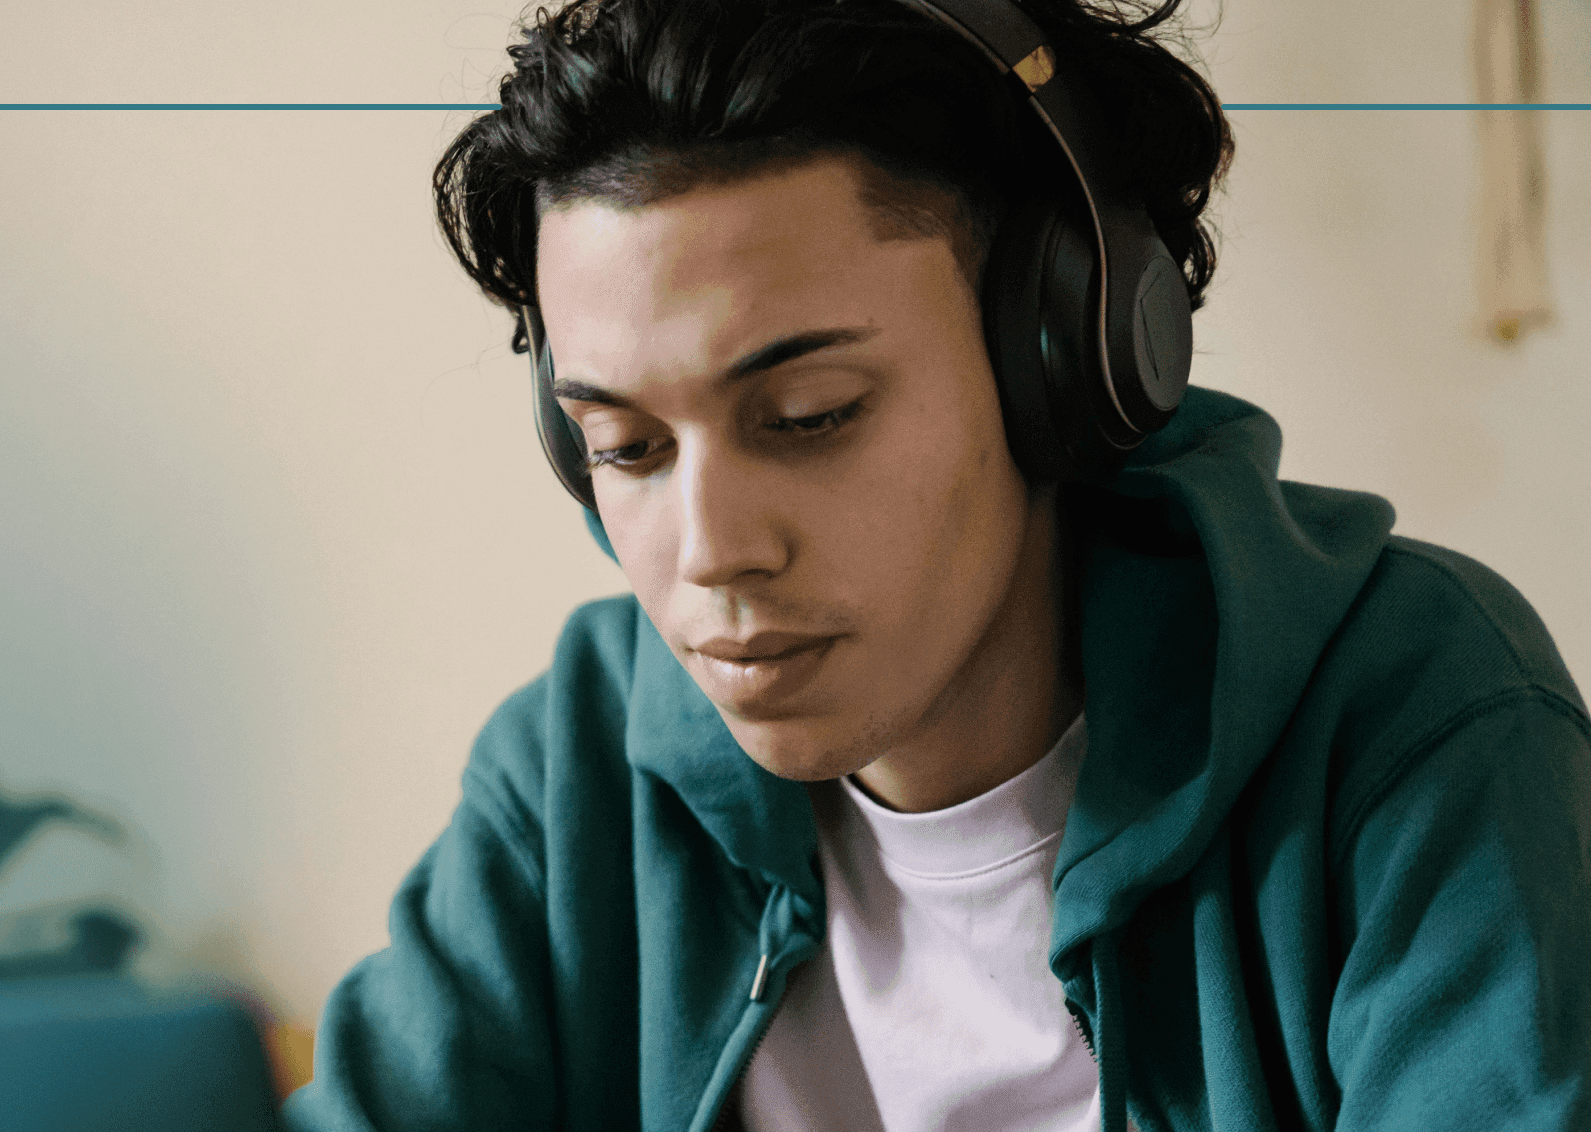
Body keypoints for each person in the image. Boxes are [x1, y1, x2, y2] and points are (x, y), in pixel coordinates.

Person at [282, 0, 1591, 1128]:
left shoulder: (1416, 730)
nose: (712, 552)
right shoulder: (575, 768)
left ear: (1062, 366)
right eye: (625, 447)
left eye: (811, 418)